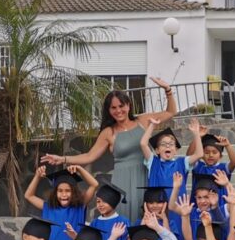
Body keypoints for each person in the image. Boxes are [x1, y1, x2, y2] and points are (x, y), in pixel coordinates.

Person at [41, 77, 177, 221]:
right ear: (108, 110)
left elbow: (171, 112)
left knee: (149, 216)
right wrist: (62, 159)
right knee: (123, 218)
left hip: (147, 176)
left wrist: (167, 89)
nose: (118, 110)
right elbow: (89, 156)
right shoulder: (108, 132)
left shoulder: (142, 121)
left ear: (129, 105)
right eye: (113, 107)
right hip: (122, 181)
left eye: (121, 106)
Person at [23, 166, 98, 240]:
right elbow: (28, 196)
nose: (64, 194)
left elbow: (94, 184)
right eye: (60, 191)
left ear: (74, 192)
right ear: (55, 193)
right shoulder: (48, 207)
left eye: (68, 191)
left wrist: (79, 169)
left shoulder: (79, 207)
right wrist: (37, 177)